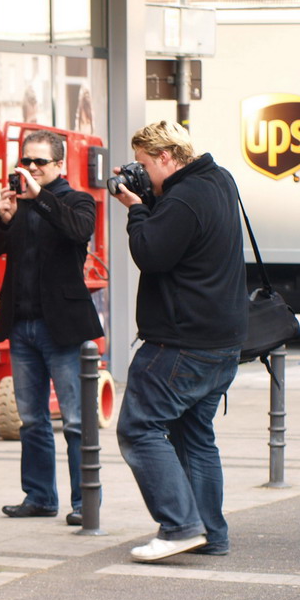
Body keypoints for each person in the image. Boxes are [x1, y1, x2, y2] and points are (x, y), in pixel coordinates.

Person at [110, 121, 247, 562]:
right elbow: (183, 236)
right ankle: (211, 532)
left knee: (139, 427)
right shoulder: (218, 179)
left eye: (147, 165)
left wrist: (135, 207)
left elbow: (151, 252)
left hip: (180, 342)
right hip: (222, 340)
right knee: (194, 436)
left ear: (167, 158)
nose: (144, 173)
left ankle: (179, 527)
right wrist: (151, 198)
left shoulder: (184, 199)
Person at [0, 130, 104, 526]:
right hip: (22, 326)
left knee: (73, 419)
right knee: (32, 419)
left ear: (59, 165)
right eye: (26, 161)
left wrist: (39, 198)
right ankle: (39, 496)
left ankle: (83, 500)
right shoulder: (18, 203)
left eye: (39, 162)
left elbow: (78, 231)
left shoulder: (76, 201)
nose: (31, 168)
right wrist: (3, 220)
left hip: (63, 329)